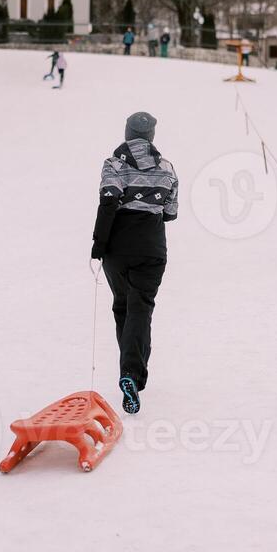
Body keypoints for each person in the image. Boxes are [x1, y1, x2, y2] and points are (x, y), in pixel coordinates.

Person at [91, 112, 178, 415]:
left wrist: (98, 245)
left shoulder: (114, 165)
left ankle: (130, 369)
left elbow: (108, 201)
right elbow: (170, 211)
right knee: (141, 309)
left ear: (127, 133)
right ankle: (132, 373)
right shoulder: (167, 168)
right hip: (152, 248)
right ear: (152, 136)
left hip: (118, 246)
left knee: (122, 307)